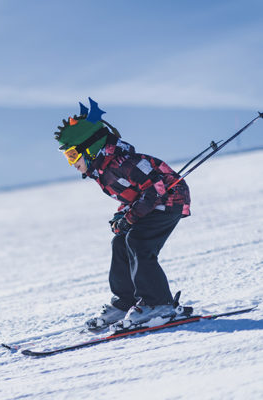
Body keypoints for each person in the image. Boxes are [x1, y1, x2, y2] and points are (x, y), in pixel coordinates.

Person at [54, 98, 191, 329]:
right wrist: (123, 215)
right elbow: (133, 196)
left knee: (138, 241)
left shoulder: (124, 162)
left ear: (89, 148)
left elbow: (155, 188)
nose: (72, 163)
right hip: (151, 204)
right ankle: (125, 303)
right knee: (120, 243)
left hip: (169, 201)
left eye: (72, 156)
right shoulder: (103, 170)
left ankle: (158, 304)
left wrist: (130, 217)